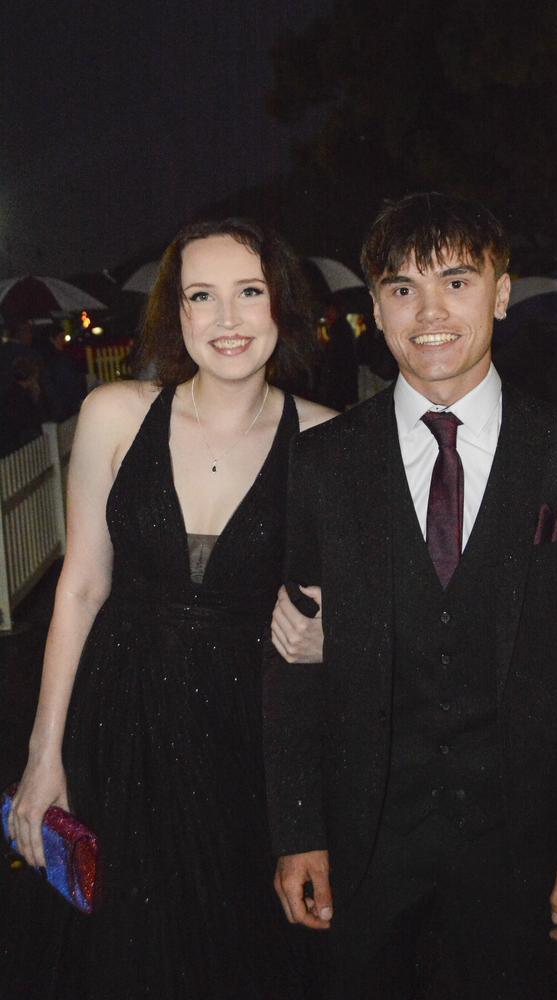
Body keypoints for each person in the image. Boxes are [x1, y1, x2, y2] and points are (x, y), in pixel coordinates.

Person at [264, 192, 557, 1000]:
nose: (429, 312)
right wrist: (297, 829)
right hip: (365, 834)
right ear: (376, 308)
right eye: (403, 288)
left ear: (500, 294)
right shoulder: (324, 464)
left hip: (521, 838)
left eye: (457, 282)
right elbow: (293, 656)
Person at [6, 217, 334, 1000]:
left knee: (240, 949)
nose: (226, 319)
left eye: (248, 292)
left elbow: (354, 604)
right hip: (121, 728)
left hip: (248, 740)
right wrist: (42, 753)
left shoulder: (328, 440)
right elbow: (81, 588)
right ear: (177, 316)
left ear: (280, 306)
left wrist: (334, 628)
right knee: (123, 950)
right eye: (202, 296)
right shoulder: (116, 415)